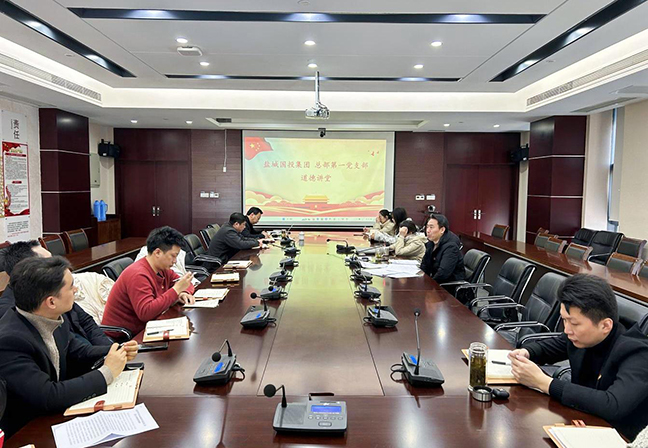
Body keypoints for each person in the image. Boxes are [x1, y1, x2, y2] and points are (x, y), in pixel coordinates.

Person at [0, 256, 138, 437]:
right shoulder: (10, 341)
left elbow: (78, 351)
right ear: (51, 302)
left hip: (57, 414)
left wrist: (115, 351)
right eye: (71, 286)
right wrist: (107, 373)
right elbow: (47, 396)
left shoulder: (53, 317)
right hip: (29, 431)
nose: (76, 289)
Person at [508, 274, 648, 440]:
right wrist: (527, 352)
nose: (567, 330)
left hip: (621, 437)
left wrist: (544, 382)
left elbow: (612, 404)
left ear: (605, 325)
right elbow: (553, 346)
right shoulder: (583, 336)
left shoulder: (638, 352)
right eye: (564, 320)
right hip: (583, 424)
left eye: (574, 323)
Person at [0, 241, 112, 347]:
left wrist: (110, 349)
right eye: (49, 263)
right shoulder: (13, 310)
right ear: (28, 270)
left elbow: (86, 322)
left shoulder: (56, 289)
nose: (57, 265)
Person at [102, 226, 196, 337]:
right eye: (173, 256)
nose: (175, 261)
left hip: (147, 327)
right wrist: (176, 290)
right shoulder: (138, 274)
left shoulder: (163, 269)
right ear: (157, 252)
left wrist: (183, 293)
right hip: (124, 336)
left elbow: (186, 284)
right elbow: (146, 313)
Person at [420, 214, 465, 285]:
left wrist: (429, 285)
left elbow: (443, 274)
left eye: (431, 227)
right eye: (427, 227)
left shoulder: (451, 247)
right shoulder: (431, 243)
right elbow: (424, 265)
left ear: (442, 230)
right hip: (435, 282)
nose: (428, 230)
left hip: (448, 287)